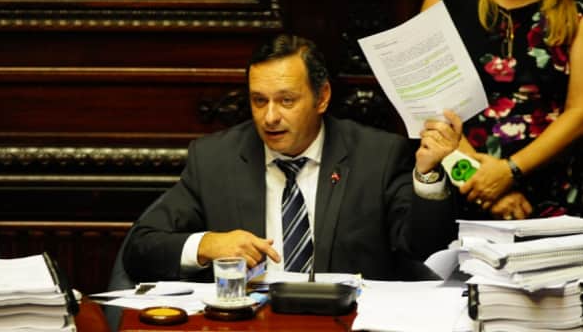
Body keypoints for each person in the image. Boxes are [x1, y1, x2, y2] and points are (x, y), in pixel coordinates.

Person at [123, 34, 462, 282]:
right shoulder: (215, 159)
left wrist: (428, 174)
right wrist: (207, 245)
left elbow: (425, 249)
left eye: (286, 101)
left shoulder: (378, 156)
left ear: (322, 97)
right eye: (259, 101)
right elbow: (140, 248)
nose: (270, 117)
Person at [421, 0, 583, 220]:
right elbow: (428, 100)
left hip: (552, 195)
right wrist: (480, 183)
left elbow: (579, 110)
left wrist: (509, 172)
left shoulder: (575, 5)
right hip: (461, 185)